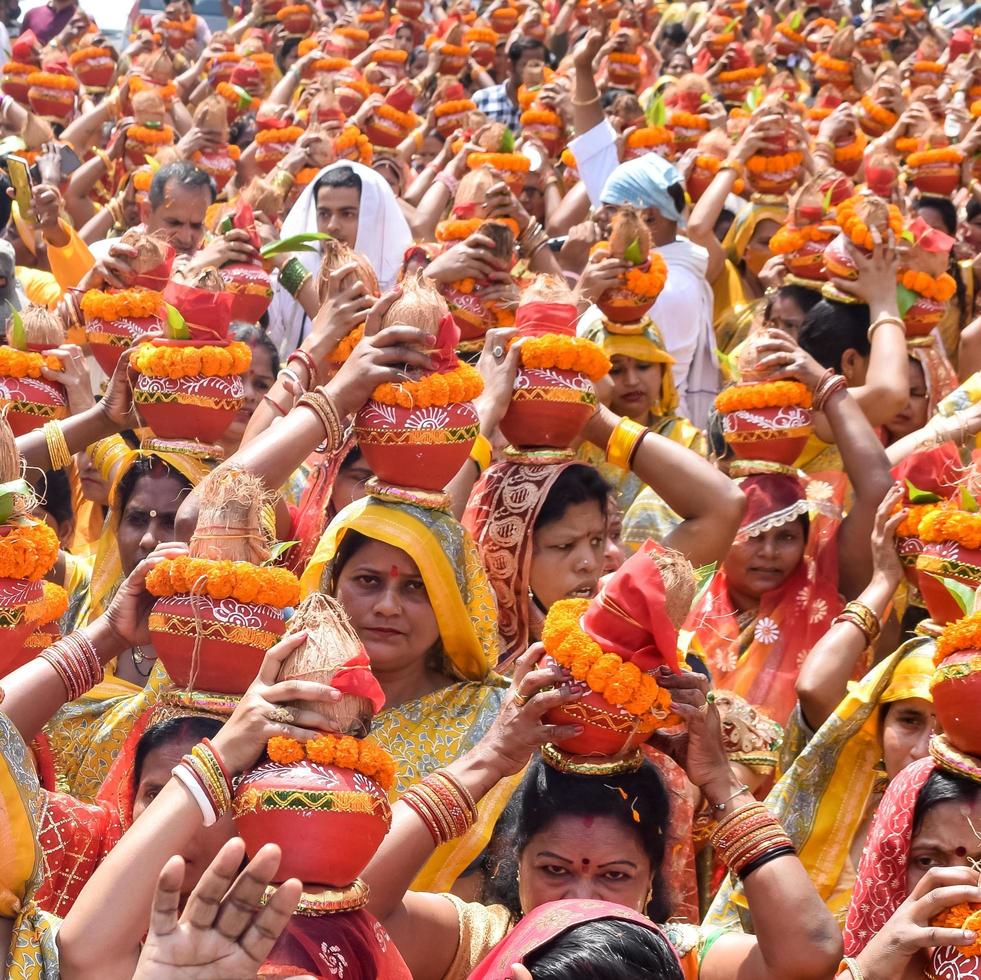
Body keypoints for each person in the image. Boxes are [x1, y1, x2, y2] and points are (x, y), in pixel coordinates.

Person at [268, 162, 412, 357]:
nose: (332, 226)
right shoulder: (285, 275)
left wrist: (291, 271)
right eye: (324, 214)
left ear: (372, 218)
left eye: (347, 214)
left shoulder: (401, 280)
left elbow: (346, 339)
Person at [472, 37, 547, 130]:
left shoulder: (547, 104)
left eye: (538, 65)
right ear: (510, 65)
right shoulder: (483, 99)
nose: (535, 71)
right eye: (526, 65)